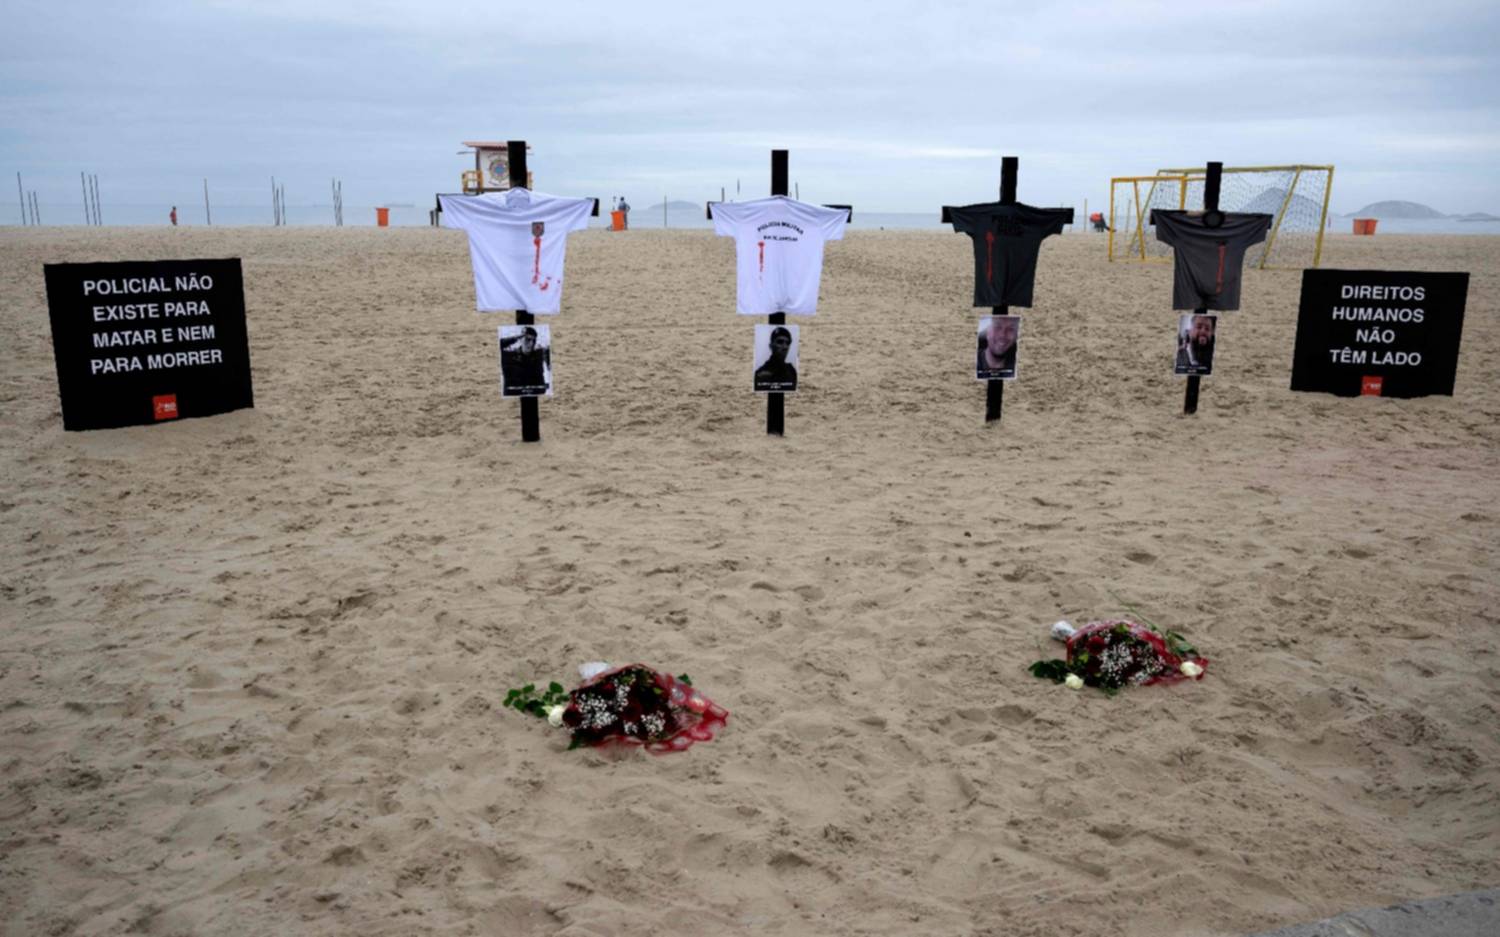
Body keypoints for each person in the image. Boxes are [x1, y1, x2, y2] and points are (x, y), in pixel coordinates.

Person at [499, 326, 550, 394]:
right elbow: (498, 344)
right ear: (520, 339)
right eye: (528, 339)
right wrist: (517, 337)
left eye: (534, 340)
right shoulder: (509, 356)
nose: (531, 343)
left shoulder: (538, 356)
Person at [754, 326, 797, 391]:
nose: (785, 347)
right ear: (771, 346)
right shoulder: (761, 374)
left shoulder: (791, 371)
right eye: (780, 342)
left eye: (787, 343)